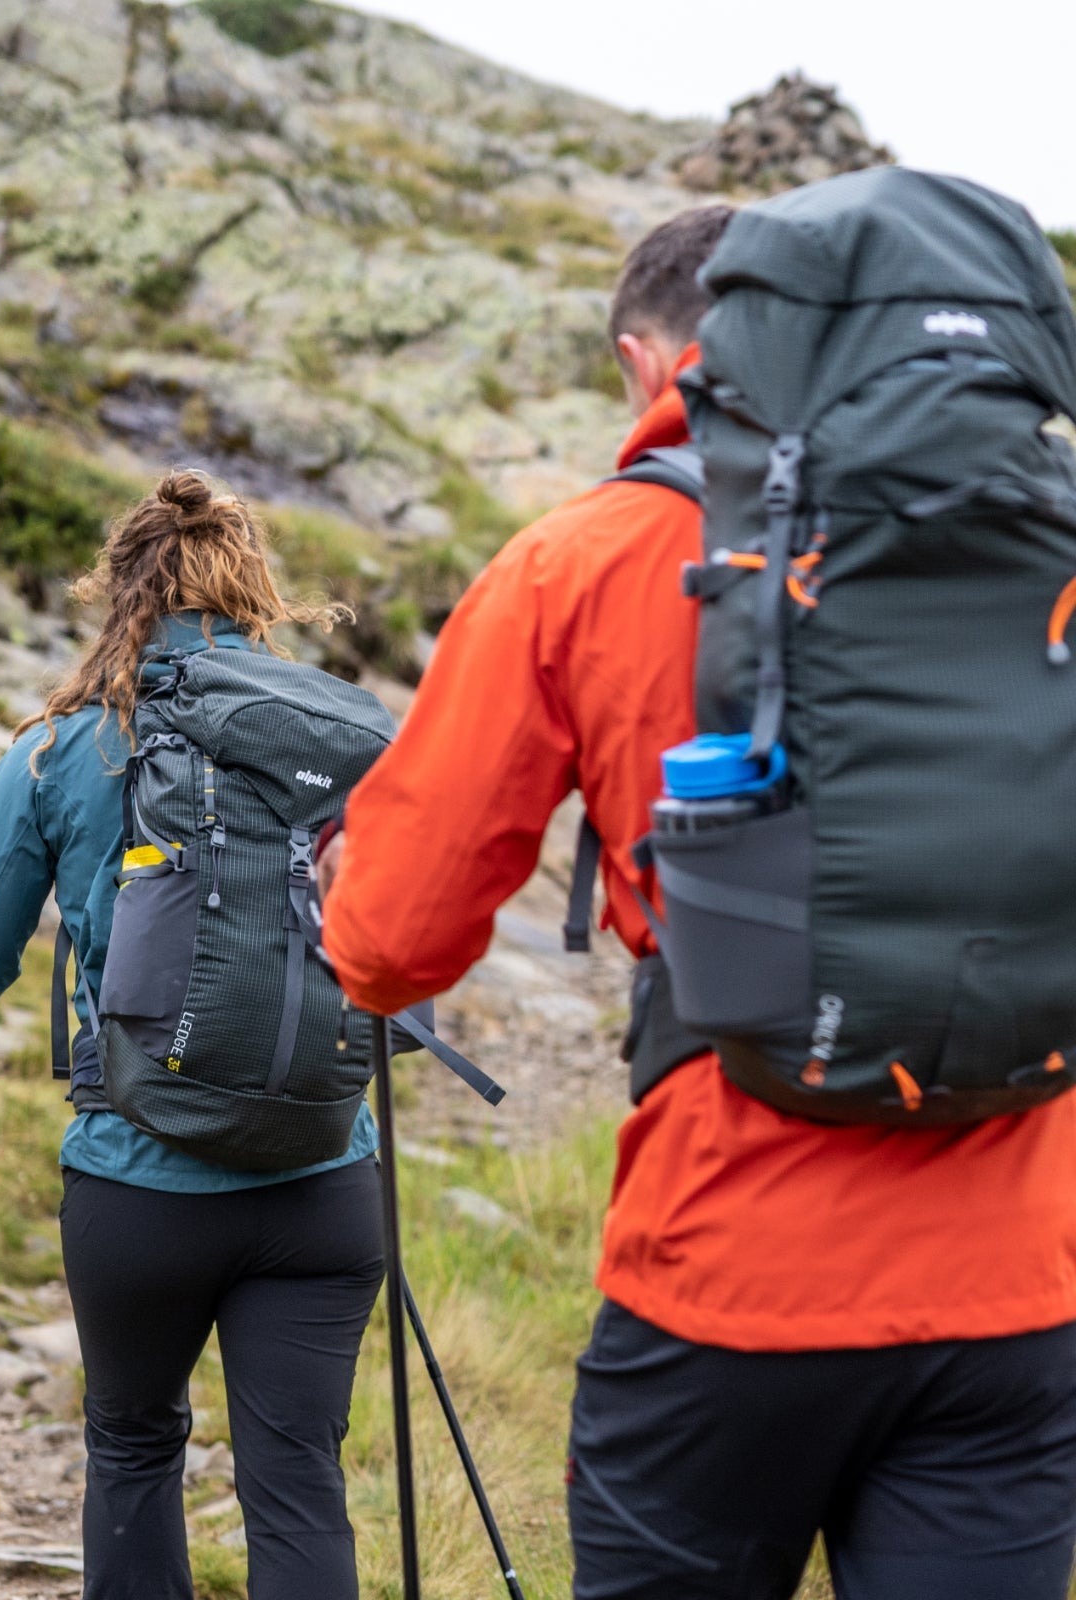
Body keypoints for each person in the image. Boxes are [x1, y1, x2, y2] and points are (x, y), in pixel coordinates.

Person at [318, 206, 1076, 1600]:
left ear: (645, 360)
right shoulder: (1042, 538)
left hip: (731, 1266)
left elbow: (390, 944)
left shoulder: (582, 559)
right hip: (1023, 1279)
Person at [0, 471, 385, 1600]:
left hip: (139, 1182)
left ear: (121, 596)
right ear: (255, 594)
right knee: (300, 1478)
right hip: (324, 1174)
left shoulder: (62, 749)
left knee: (133, 1449)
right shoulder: (336, 737)